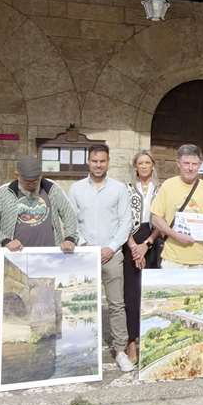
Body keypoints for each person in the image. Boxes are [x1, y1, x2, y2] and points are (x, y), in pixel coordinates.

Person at [69, 144, 134, 372]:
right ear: (88, 161)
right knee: (84, 304)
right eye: (95, 161)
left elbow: (126, 221)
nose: (98, 165)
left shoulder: (119, 189)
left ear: (108, 162)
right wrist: (85, 245)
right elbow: (71, 221)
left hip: (112, 255)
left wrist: (111, 247)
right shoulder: (76, 189)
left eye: (102, 161)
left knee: (116, 304)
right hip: (85, 255)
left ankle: (120, 350)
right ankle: (84, 350)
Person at [151, 144, 203, 269]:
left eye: (194, 164)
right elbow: (155, 218)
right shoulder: (168, 185)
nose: (190, 168)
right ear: (178, 163)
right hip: (172, 260)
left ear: (200, 165)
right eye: (186, 163)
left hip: (200, 261)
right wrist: (176, 235)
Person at [122, 151, 161, 363]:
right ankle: (132, 341)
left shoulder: (160, 190)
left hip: (153, 241)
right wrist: (134, 247)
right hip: (130, 240)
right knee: (132, 292)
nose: (144, 166)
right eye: (140, 163)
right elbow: (121, 218)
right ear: (135, 167)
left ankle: (150, 340)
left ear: (153, 165)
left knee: (150, 291)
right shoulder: (126, 189)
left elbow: (164, 219)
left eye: (147, 162)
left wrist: (147, 244)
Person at [0, 156, 78, 254]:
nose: (31, 184)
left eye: (35, 181)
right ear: (17, 175)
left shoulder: (52, 189)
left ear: (40, 176)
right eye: (27, 181)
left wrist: (69, 238)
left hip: (50, 255)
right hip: (15, 255)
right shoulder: (4, 193)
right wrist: (5, 241)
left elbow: (69, 215)